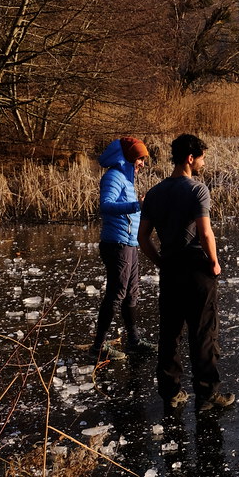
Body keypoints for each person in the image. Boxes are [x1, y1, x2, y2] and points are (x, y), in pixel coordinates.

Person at [138, 134, 234, 412]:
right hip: (196, 268)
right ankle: (207, 394)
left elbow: (143, 238)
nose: (204, 163)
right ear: (190, 158)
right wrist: (214, 262)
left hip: (170, 267)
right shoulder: (197, 190)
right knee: (203, 331)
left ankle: (171, 392)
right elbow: (205, 232)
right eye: (202, 157)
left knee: (169, 333)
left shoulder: (155, 193)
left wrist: (160, 262)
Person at [91, 137, 158, 360]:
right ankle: (98, 347)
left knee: (131, 295)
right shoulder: (114, 177)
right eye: (140, 158)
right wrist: (136, 205)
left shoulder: (127, 179)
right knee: (116, 294)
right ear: (129, 157)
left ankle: (134, 341)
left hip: (129, 243)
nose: (142, 163)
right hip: (116, 244)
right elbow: (106, 206)